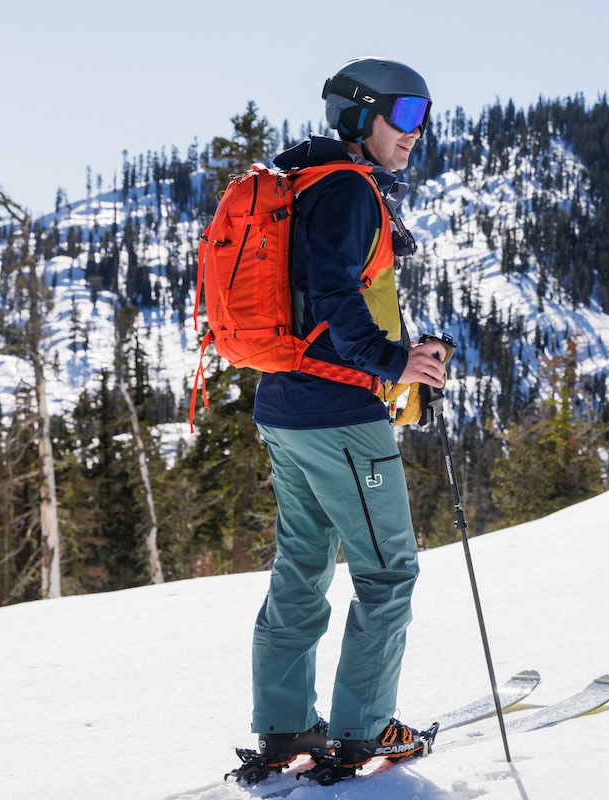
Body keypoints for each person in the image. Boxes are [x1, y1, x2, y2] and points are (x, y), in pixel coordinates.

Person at [249, 56, 447, 773]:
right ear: (362, 117)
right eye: (407, 115)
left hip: (284, 404)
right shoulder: (349, 189)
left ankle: (286, 727)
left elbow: (316, 292)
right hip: (338, 413)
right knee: (388, 573)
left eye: (425, 117)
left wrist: (392, 355)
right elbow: (333, 295)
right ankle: (363, 732)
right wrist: (394, 362)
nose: (417, 132)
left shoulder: (297, 183)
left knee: (302, 565)